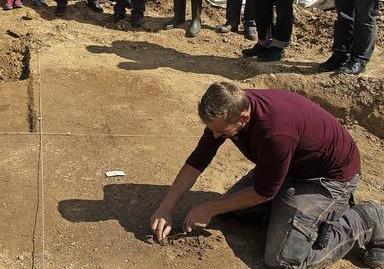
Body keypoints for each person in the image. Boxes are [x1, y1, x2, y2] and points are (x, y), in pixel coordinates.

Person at [150, 81, 384, 269]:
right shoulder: (230, 109)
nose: (214, 134)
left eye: (221, 131)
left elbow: (263, 192)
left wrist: (209, 208)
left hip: (326, 179)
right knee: (230, 213)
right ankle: (284, 213)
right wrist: (166, 207)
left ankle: (368, 219)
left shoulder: (274, 133)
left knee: (283, 260)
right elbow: (197, 160)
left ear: (243, 117)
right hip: (287, 167)